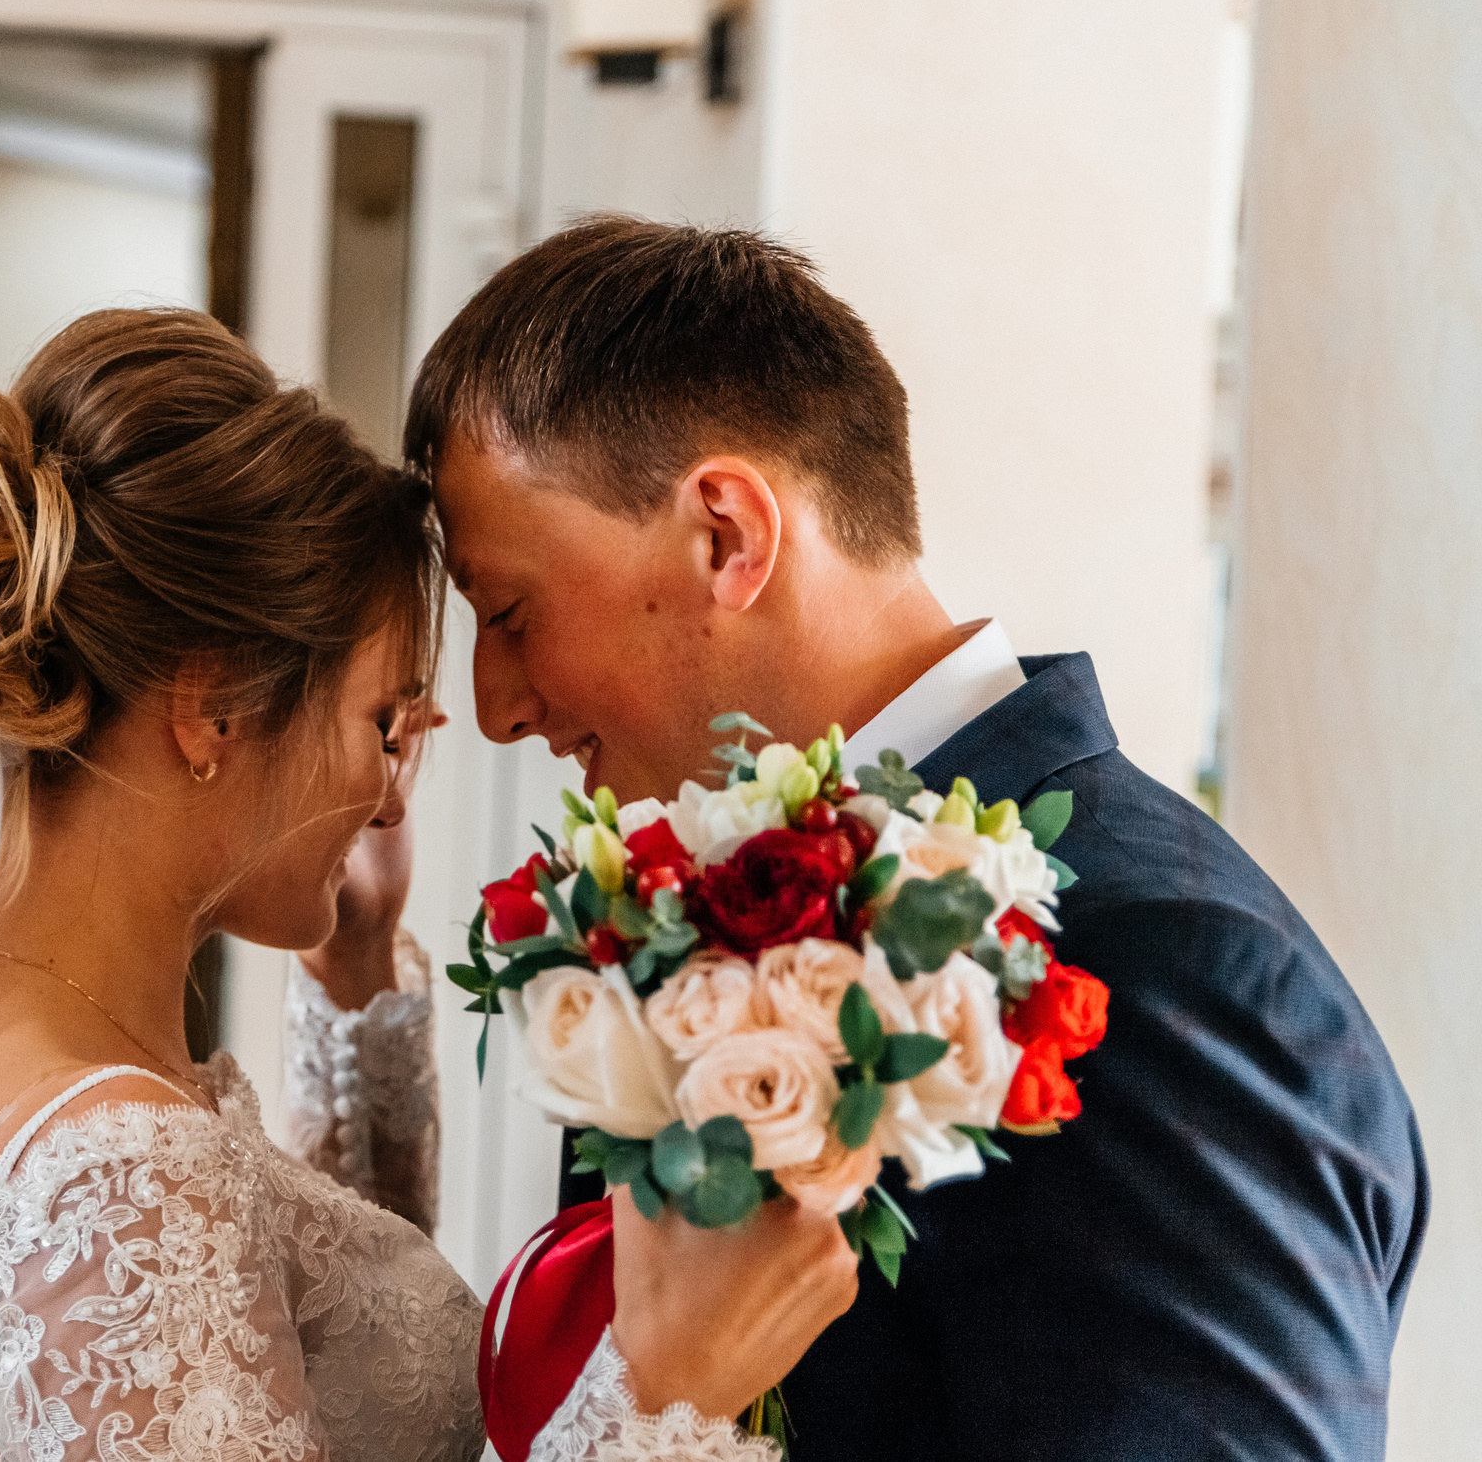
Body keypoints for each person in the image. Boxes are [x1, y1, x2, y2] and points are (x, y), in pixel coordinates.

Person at [0, 307, 857, 1462]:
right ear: (211, 707)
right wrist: (664, 1399)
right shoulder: (122, 1176)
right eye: (383, 719)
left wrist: (354, 974)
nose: (393, 792)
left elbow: (300, 1349)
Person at [404, 217, 1430, 1461]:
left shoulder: (1158, 965)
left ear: (725, 531)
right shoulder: (694, 920)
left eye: (509, 612)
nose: (500, 704)